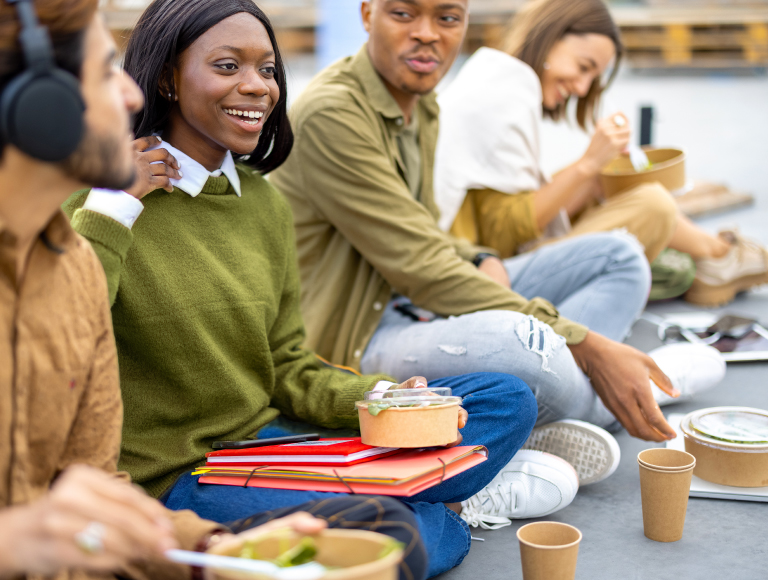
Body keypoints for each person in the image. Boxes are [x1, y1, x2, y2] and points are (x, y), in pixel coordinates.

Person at [0, 1, 430, 578]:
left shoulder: (73, 263)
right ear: (38, 103)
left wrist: (213, 549)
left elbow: (102, 488)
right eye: (106, 71)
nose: (133, 90)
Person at [63, 0, 575, 575]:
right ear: (166, 79)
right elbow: (62, 345)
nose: (257, 87)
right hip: (182, 481)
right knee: (399, 533)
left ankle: (395, 502)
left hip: (272, 446)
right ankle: (443, 505)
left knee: (502, 399)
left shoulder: (261, 202)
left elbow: (285, 363)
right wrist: (112, 207)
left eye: (268, 70)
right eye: (228, 67)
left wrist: (381, 397)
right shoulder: (99, 206)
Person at [269, 0, 728, 472]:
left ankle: (584, 399)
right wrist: (584, 340)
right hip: (359, 335)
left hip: (415, 297)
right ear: (367, 15)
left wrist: (478, 255)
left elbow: (420, 225)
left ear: (464, 24)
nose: (427, 34)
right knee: (525, 341)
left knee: (621, 256)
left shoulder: (420, 104)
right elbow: (422, 265)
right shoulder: (333, 114)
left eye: (447, 18)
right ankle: (643, 391)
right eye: (404, 15)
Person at [434, 0, 768, 307]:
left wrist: (594, 175)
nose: (581, 88)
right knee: (653, 205)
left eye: (592, 77)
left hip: (484, 258)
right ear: (550, 38)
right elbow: (500, 234)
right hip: (486, 275)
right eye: (583, 67)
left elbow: (500, 211)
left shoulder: (496, 79)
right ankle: (718, 256)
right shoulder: (502, 97)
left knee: (607, 182)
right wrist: (587, 164)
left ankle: (717, 255)